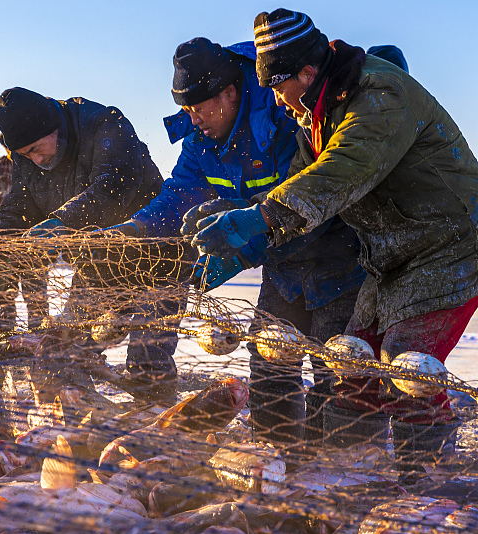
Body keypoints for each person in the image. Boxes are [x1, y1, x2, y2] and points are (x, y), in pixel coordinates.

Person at [193, 8, 478, 472]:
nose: (280, 102)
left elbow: (341, 172)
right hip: (388, 255)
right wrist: (250, 239)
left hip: (449, 247)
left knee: (405, 366)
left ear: (306, 72)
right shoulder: (318, 112)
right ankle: (344, 469)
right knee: (353, 366)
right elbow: (301, 182)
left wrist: (261, 217)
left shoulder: (379, 94)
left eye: (281, 88)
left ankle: (424, 479)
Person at [105, 38, 366, 448]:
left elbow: (307, 196)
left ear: (229, 93)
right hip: (282, 265)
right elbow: (180, 191)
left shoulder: (283, 115)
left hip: (338, 256)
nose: (193, 120)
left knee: (336, 370)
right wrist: (135, 228)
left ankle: (340, 468)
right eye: (186, 110)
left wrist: (241, 230)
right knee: (269, 365)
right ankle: (278, 456)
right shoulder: (201, 137)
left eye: (199, 108)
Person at [0, 87, 171, 400]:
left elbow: (112, 187)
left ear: (52, 127)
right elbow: (19, 207)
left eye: (35, 148)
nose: (35, 159)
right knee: (64, 351)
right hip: (97, 263)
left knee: (147, 361)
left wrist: (61, 222)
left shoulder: (105, 124)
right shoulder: (26, 158)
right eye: (24, 155)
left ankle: (161, 435)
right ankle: (82, 431)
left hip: (155, 256)